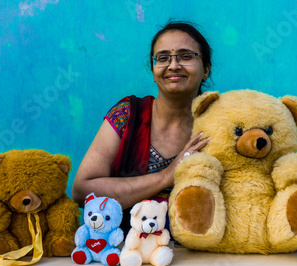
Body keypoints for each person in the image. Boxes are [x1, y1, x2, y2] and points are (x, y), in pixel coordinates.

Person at [72, 20, 212, 232]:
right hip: (126, 254)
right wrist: (166, 176)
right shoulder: (127, 115)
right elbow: (83, 192)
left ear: (206, 70)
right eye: (163, 58)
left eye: (186, 56)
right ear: (154, 69)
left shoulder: (219, 123)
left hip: (199, 255)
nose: (173, 65)